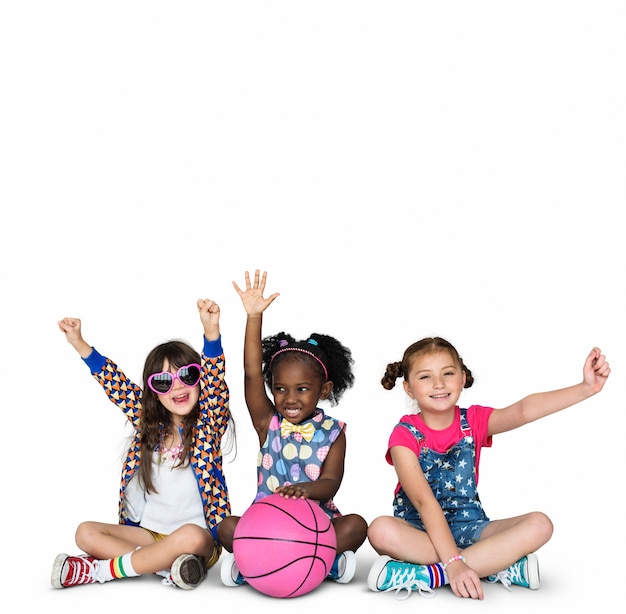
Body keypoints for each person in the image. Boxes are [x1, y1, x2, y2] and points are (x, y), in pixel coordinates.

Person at [367, 337, 610, 600]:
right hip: (419, 530)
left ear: (462, 378)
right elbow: (423, 502)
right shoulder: (404, 435)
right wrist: (454, 562)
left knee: (540, 524)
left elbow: (523, 411)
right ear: (409, 388)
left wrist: (585, 388)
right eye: (425, 377)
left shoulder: (473, 421)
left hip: (470, 527)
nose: (439, 384)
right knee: (380, 530)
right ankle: (491, 565)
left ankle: (429, 575)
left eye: (448, 373)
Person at [51, 297, 233, 590]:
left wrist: (212, 334)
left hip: (198, 539)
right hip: (149, 534)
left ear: (199, 380)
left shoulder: (208, 426)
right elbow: (116, 384)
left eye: (187, 375)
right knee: (85, 533)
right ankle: (169, 567)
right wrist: (79, 342)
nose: (177, 386)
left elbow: (216, 386)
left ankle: (100, 571)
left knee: (190, 536)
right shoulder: (149, 426)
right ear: (154, 394)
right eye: (163, 382)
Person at [217, 269, 368, 587]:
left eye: (302, 389)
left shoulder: (333, 432)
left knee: (356, 525)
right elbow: (250, 375)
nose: (289, 398)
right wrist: (253, 317)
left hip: (316, 522)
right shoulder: (267, 423)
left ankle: (307, 558)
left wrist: (307, 491)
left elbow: (331, 482)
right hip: (267, 521)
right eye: (281, 388)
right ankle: (288, 560)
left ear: (324, 390)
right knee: (227, 527)